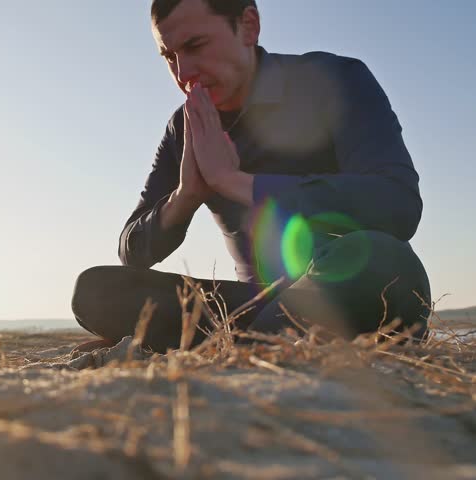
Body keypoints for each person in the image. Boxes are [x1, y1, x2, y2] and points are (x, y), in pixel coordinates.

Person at [70, 0, 432, 355]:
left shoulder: (334, 79)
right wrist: (185, 196)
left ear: (248, 26)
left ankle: (229, 348)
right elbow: (130, 252)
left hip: (354, 284)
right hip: (253, 307)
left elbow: (398, 204)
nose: (183, 73)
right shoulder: (184, 127)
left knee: (385, 260)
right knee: (94, 290)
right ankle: (258, 343)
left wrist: (236, 182)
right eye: (169, 57)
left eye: (195, 46)